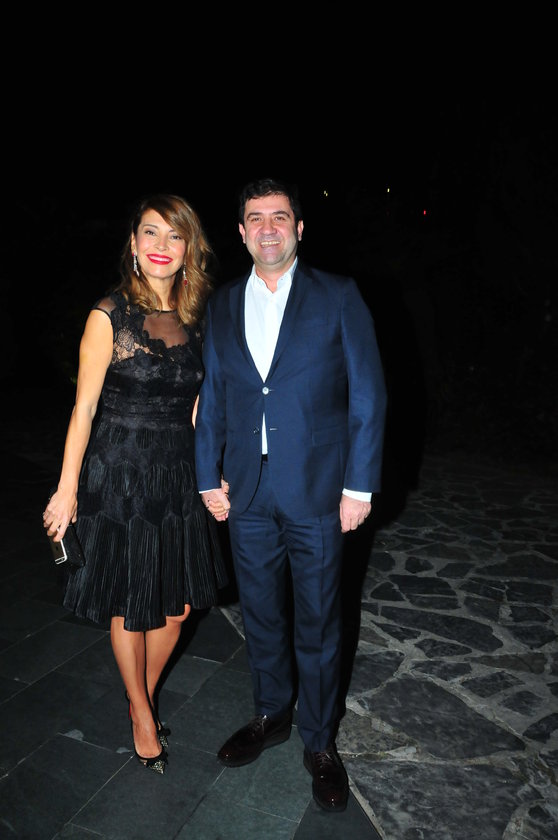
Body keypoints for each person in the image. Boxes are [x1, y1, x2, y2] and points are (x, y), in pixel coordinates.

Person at [194, 178, 387, 811]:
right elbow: (214, 395)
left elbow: (367, 394)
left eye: (280, 217)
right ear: (241, 232)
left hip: (320, 490)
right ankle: (271, 713)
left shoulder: (338, 295)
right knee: (261, 613)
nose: (268, 228)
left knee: (320, 619)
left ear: (299, 229)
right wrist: (207, 475)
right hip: (245, 490)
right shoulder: (223, 304)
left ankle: (320, 741)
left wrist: (359, 485)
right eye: (256, 218)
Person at [43, 194, 228, 775]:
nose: (161, 246)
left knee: (179, 606)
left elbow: (197, 407)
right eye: (151, 232)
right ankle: (143, 716)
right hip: (119, 473)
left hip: (176, 476)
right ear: (133, 243)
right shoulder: (109, 315)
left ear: (189, 248)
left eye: (175, 235)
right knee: (131, 601)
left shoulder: (198, 319)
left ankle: (137, 695)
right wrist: (67, 488)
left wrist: (211, 472)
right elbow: (83, 408)